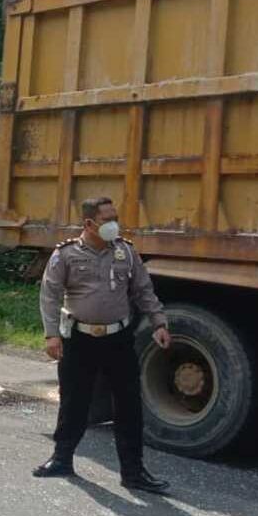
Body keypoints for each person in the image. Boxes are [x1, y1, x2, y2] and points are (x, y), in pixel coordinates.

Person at [35, 196, 173, 494]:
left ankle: (133, 473)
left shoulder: (125, 252)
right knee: (74, 401)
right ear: (89, 223)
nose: (113, 224)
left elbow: (143, 290)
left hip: (118, 340)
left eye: (115, 218)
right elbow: (50, 296)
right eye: (106, 219)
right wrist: (51, 335)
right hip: (79, 339)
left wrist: (159, 322)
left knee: (128, 405)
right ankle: (61, 459)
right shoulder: (66, 255)